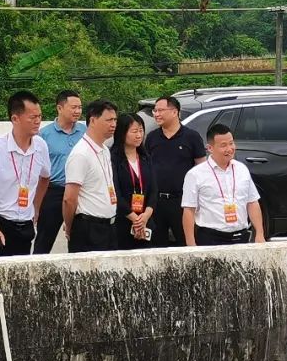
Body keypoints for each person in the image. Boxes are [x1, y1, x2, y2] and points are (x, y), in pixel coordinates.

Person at [0, 92, 52, 257]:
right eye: (32, 117)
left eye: (40, 116)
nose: (37, 121)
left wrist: (35, 208)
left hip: (25, 223)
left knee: (19, 271)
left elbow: (45, 177)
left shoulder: (41, 146)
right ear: (15, 119)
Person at [182, 124, 266, 245]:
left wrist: (259, 233)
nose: (229, 149)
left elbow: (252, 202)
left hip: (240, 236)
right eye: (223, 145)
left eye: (231, 143)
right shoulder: (195, 174)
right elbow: (189, 210)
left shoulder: (241, 169)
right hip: (211, 237)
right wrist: (191, 244)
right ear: (210, 148)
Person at [144, 96, 206, 247]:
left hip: (182, 202)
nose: (156, 114)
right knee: (157, 246)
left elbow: (202, 169)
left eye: (160, 110)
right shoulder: (152, 138)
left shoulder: (191, 137)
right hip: (156, 203)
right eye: (155, 111)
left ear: (174, 112)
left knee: (184, 243)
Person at [63, 100, 119, 253]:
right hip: (89, 227)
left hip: (109, 226)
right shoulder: (81, 153)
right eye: (108, 120)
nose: (113, 124)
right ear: (93, 120)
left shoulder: (105, 150)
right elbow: (69, 198)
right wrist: (69, 227)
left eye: (115, 120)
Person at [35, 90, 86, 254]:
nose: (77, 111)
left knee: (78, 237)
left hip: (80, 192)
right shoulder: (44, 135)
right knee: (44, 239)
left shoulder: (85, 132)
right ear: (60, 108)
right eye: (73, 107)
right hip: (53, 192)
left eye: (80, 107)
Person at [110, 113, 158, 250]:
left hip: (146, 220)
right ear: (122, 133)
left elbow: (154, 189)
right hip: (123, 221)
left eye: (141, 130)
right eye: (134, 131)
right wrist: (135, 220)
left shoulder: (145, 157)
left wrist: (146, 216)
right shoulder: (113, 159)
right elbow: (116, 193)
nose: (139, 135)